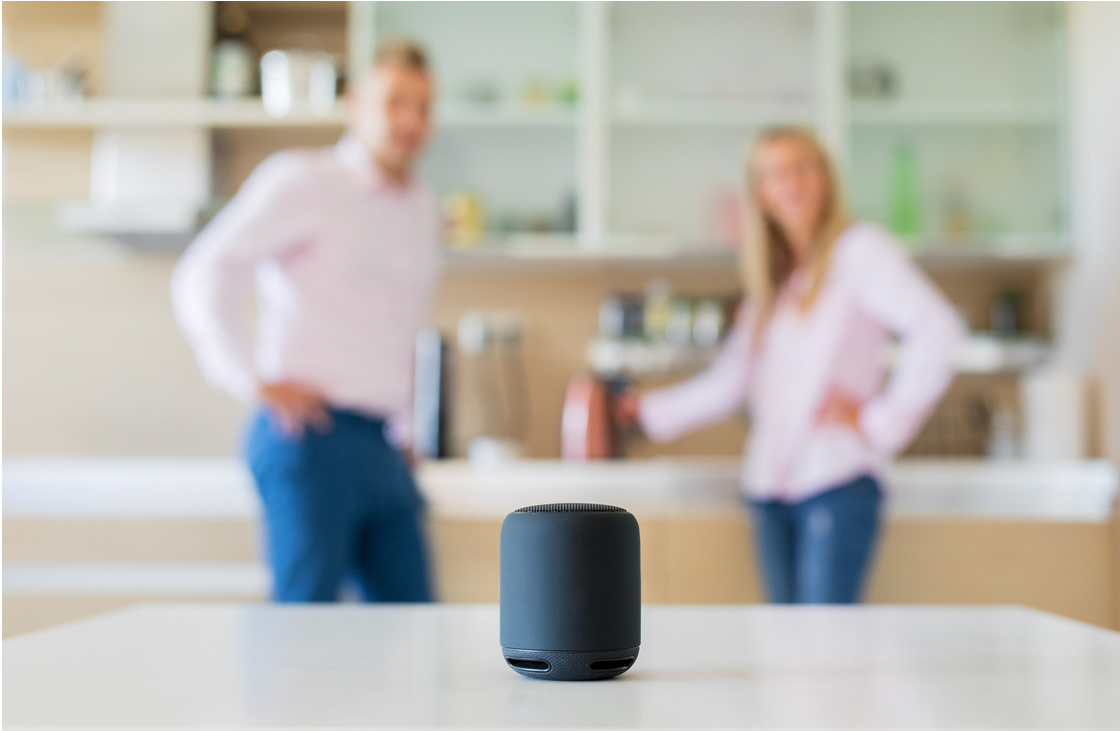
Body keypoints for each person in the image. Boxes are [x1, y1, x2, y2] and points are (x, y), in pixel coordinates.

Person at [619, 128, 963, 604]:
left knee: (823, 650)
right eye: (774, 174)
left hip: (836, 481)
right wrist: (642, 411)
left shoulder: (860, 250)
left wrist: (877, 420)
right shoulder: (775, 282)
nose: (791, 184)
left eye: (802, 168)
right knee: (787, 649)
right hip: (770, 489)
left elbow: (938, 330)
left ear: (825, 178)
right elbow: (729, 383)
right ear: (759, 193)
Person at [171, 40, 441, 603]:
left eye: (423, 107)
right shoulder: (305, 181)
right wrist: (250, 380)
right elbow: (203, 273)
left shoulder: (422, 209)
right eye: (396, 102)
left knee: (417, 631)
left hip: (382, 446)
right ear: (356, 104)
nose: (411, 121)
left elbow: (402, 326)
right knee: (303, 632)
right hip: (312, 437)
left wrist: (409, 427)